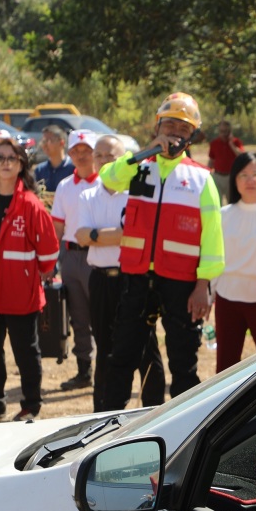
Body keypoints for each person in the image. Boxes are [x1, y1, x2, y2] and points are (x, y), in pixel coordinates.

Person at [98, 91, 224, 410]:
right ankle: (108, 421)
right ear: (157, 128)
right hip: (137, 278)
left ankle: (184, 428)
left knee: (183, 363)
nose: (175, 134)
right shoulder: (139, 166)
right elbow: (108, 179)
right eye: (169, 125)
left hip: (181, 284)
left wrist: (202, 285)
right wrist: (144, 154)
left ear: (192, 135)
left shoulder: (200, 179)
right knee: (122, 356)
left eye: (183, 129)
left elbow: (212, 239)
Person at [74, 134, 165, 411]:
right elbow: (79, 236)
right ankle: (103, 412)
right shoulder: (87, 194)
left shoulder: (139, 191)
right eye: (98, 155)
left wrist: (97, 234)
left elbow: (140, 235)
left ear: (124, 159)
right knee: (104, 348)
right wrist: (120, 234)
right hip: (101, 281)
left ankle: (155, 408)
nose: (102, 161)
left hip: (133, 280)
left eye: (110, 156)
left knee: (146, 349)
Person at [0, 135, 58, 421]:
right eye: (0, 158)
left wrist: (38, 274)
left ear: (21, 163)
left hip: (21, 290)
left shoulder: (31, 203)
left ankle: (31, 403)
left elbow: (48, 250)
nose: (5, 163)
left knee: (25, 350)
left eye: (12, 158)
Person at [215, 151, 256, 370]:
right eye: (243, 175)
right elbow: (215, 256)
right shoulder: (222, 215)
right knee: (225, 365)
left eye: (255, 174)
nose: (250, 180)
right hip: (227, 298)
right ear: (234, 179)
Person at [52, 129, 101, 391]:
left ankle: (107, 368)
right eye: (76, 151)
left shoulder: (104, 183)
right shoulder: (64, 186)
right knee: (78, 316)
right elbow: (57, 227)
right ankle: (85, 370)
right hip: (71, 256)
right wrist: (52, 261)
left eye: (87, 151)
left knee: (102, 315)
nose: (81, 156)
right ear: (69, 153)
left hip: (98, 256)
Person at [32, 125, 74, 204]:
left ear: (62, 142)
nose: (45, 145)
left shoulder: (73, 168)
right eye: (43, 141)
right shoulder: (40, 170)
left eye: (49, 140)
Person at [208, 119, 244, 203]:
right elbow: (211, 160)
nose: (224, 134)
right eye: (221, 131)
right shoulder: (214, 143)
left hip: (231, 176)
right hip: (217, 176)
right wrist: (207, 173)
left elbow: (242, 157)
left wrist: (232, 145)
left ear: (230, 131)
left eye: (226, 131)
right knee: (216, 201)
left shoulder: (236, 142)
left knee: (232, 202)